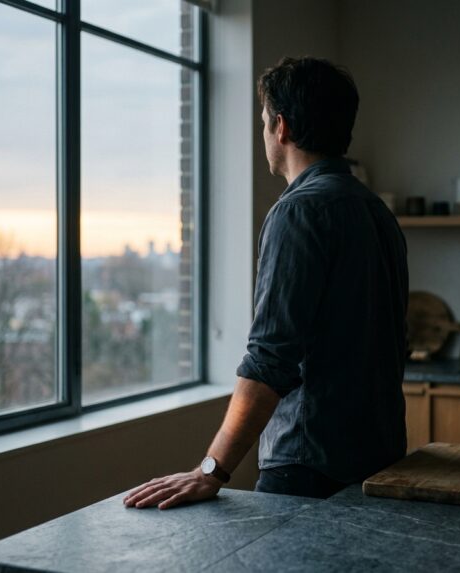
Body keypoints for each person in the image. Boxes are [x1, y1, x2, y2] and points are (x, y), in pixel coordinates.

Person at [123, 56, 408, 510]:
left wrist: (211, 469)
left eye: (263, 122)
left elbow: (270, 358)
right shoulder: (377, 213)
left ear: (281, 127)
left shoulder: (298, 212)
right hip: (379, 463)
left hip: (308, 467)